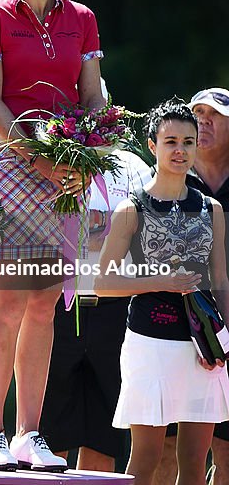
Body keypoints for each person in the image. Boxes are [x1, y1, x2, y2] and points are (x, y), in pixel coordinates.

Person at [0, 0, 105, 471]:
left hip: (63, 169)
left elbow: (92, 96)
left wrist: (86, 157)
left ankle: (29, 433)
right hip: (8, 164)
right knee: (7, 304)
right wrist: (41, 161)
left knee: (44, 305)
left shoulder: (83, 20)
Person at [96, 100, 229, 485]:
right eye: (170, 141)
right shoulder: (131, 208)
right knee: (146, 458)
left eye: (188, 142)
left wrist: (224, 343)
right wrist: (162, 282)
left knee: (193, 461)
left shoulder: (212, 208)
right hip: (149, 344)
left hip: (202, 346)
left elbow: (220, 280)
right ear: (152, 146)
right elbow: (104, 284)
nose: (180, 150)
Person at [39, 145, 152, 471]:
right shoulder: (53, 159)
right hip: (58, 301)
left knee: (105, 428)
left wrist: (112, 230)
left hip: (114, 307)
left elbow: (147, 227)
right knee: (50, 426)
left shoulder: (134, 166)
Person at [156, 88, 229, 485]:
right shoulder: (171, 180)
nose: (203, 120)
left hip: (224, 327)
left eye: (215, 114)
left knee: (225, 448)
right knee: (164, 444)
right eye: (197, 113)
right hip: (170, 328)